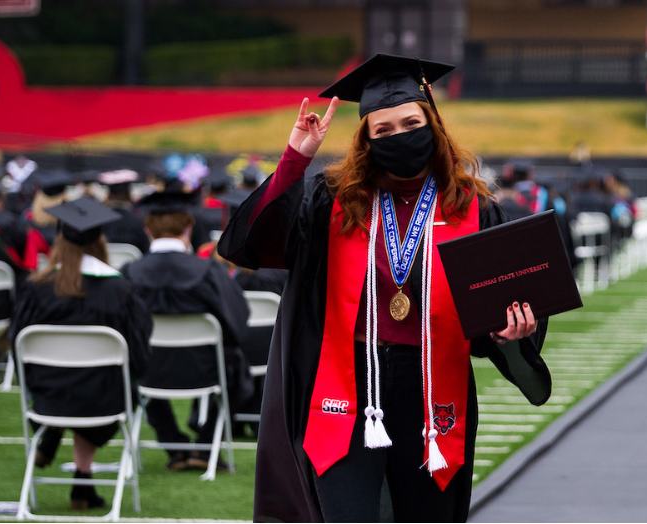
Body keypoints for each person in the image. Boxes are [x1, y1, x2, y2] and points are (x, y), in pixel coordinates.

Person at [218, 54, 552, 523]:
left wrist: (508, 332)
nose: (400, 136)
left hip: (430, 388)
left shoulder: (472, 210)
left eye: (411, 124)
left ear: (433, 125)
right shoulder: (332, 201)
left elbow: (492, 309)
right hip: (345, 388)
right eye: (384, 130)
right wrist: (296, 158)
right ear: (367, 139)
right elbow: (255, 246)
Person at [10, 197, 151, 510]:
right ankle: (82, 479)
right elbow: (139, 352)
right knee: (100, 383)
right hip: (103, 400)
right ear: (100, 241)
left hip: (48, 396)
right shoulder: (121, 291)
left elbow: (19, 347)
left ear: (60, 241)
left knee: (73, 385)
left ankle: (53, 432)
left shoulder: (37, 288)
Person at [122, 190, 252, 472]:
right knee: (236, 365)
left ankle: (175, 445)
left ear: (147, 230)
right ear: (188, 228)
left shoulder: (130, 272)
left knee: (134, 364)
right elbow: (239, 323)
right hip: (206, 369)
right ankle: (206, 446)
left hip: (149, 370)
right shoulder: (209, 271)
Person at [98, 169, 150, 254]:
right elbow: (146, 250)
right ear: (129, 196)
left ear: (108, 196)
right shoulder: (138, 222)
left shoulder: (98, 222)